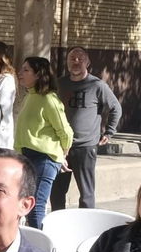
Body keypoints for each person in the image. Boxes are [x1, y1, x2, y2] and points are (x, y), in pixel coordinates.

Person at [51, 47, 123, 212]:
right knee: (57, 192)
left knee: (86, 193)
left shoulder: (97, 85)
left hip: (85, 147)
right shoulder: (58, 84)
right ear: (68, 62)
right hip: (61, 147)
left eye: (80, 59)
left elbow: (115, 108)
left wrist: (109, 131)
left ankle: (87, 223)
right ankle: (58, 224)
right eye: (72, 59)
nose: (76, 62)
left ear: (88, 62)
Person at [15, 57, 75, 228]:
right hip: (27, 157)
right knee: (24, 204)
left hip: (44, 158)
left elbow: (66, 132)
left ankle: (40, 248)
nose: (21, 73)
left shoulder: (49, 99)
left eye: (26, 70)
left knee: (35, 207)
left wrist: (61, 154)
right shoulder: (29, 97)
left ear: (38, 74)